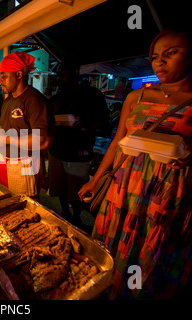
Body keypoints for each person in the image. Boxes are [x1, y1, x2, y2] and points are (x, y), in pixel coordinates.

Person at [78, 28, 192, 299]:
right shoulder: (136, 97)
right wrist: (95, 178)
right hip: (124, 185)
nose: (159, 62)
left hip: (170, 191)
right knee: (115, 248)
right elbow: (117, 142)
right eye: (154, 57)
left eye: (170, 54)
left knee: (155, 252)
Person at [48, 59, 110, 229]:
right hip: (57, 150)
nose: (59, 75)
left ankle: (76, 217)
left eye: (63, 71)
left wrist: (84, 124)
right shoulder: (56, 97)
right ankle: (64, 212)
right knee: (59, 187)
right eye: (58, 72)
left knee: (77, 189)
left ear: (75, 72)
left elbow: (105, 124)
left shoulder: (92, 95)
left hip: (79, 151)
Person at [0, 52, 53, 198]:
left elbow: (43, 140)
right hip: (5, 161)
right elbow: (4, 127)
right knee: (7, 201)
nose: (0, 81)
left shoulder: (34, 100)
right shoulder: (8, 101)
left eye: (4, 76)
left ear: (18, 74)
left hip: (24, 165)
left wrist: (7, 140)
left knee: (23, 208)